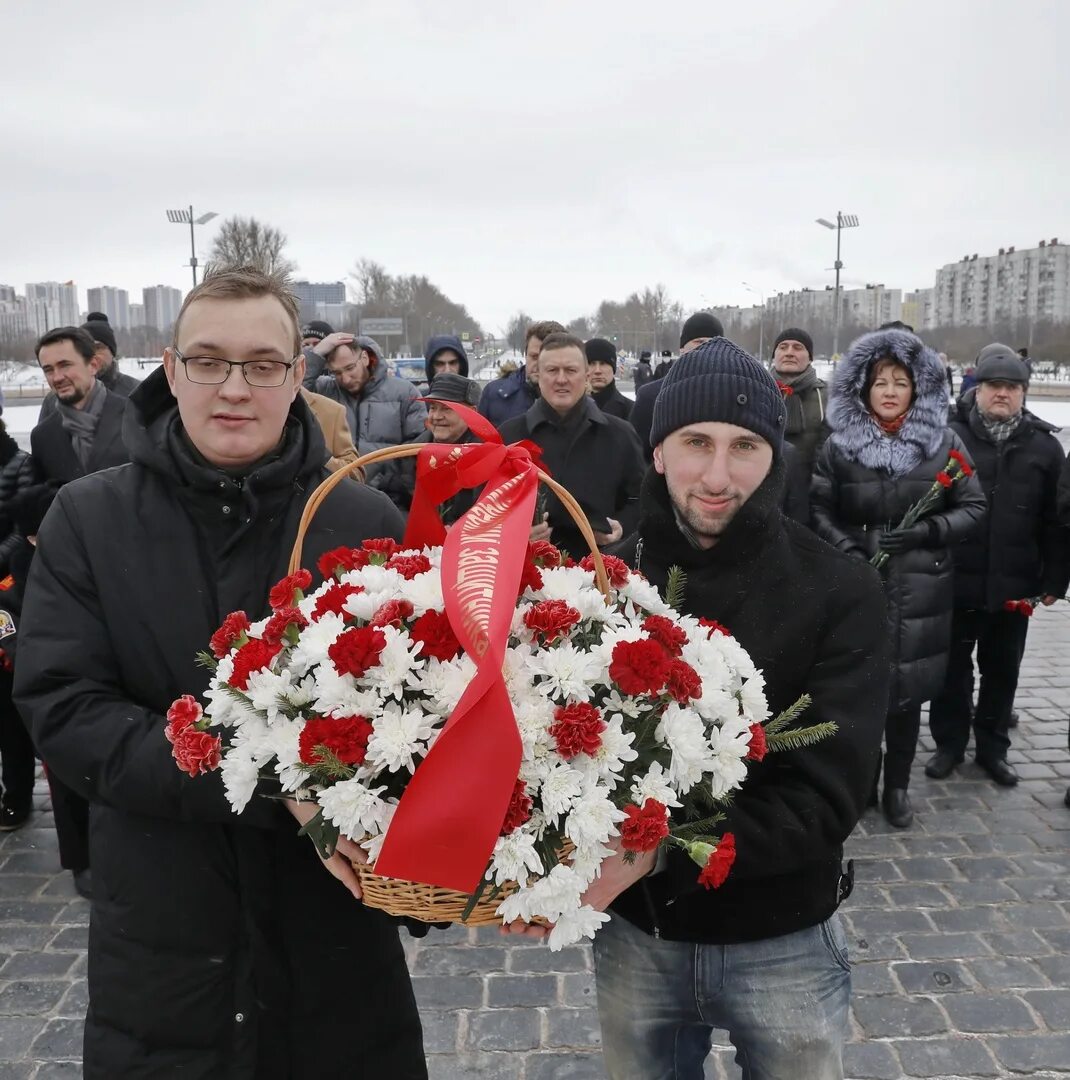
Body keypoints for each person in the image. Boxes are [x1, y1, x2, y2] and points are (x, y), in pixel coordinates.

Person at [14, 266, 425, 1078]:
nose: (235, 388)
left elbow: (421, 710)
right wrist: (273, 778)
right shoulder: (89, 518)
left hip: (333, 950)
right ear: (170, 370)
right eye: (208, 361)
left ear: (297, 375)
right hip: (164, 949)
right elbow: (64, 707)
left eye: (263, 364)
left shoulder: (366, 523)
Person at [581, 338, 890, 1080]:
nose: (718, 476)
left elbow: (827, 797)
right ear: (657, 452)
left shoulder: (841, 591)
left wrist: (657, 850)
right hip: (638, 935)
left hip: (782, 939)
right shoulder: (602, 585)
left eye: (745, 446)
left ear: (775, 456)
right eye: (695, 443)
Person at [811, 327, 986, 829]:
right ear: (863, 388)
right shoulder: (839, 443)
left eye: (900, 382)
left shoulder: (944, 441)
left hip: (921, 587)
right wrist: (847, 548)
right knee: (860, 692)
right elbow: (819, 507)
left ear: (918, 389)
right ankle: (863, 780)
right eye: (880, 381)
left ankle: (898, 786)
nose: (889, 390)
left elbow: (973, 506)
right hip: (858, 584)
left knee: (907, 695)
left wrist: (927, 531)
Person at [926, 347, 1068, 787]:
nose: (1002, 394)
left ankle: (992, 748)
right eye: (994, 386)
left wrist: (1054, 580)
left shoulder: (1043, 446)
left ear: (1023, 393)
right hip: (955, 577)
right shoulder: (949, 437)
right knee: (951, 669)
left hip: (1014, 581)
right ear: (978, 390)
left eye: (1012, 387)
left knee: (1002, 670)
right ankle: (949, 745)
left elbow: (1058, 519)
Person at [499, 332, 644, 561]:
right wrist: (515, 533)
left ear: (585, 375)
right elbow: (489, 510)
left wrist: (621, 526)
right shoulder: (509, 437)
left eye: (570, 370)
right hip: (529, 575)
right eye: (552, 370)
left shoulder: (620, 435)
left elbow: (640, 501)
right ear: (538, 374)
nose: (561, 379)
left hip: (601, 576)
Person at [310, 333, 427, 508]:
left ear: (364, 358)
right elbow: (293, 389)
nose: (345, 378)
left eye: (350, 368)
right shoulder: (326, 389)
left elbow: (418, 447)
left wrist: (384, 480)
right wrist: (316, 353)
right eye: (337, 373)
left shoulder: (405, 393)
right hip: (336, 497)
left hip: (390, 500)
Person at [0, 415, 36, 832]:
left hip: (5, 590)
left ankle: (17, 794)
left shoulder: (18, 463)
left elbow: (21, 530)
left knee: (7, 712)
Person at [630, 312, 724, 458]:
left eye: (714, 343)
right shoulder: (652, 396)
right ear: (682, 349)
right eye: (699, 342)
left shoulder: (733, 395)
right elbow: (639, 456)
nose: (707, 348)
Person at [409, 372, 485, 525]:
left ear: (472, 413)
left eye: (446, 409)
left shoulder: (488, 459)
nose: (436, 416)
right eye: (433, 408)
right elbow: (396, 502)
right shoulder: (409, 455)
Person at [39, 314, 141, 422]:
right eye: (85, 349)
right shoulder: (54, 400)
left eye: (97, 347)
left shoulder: (136, 392)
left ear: (112, 352)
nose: (92, 354)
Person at [477, 319, 565, 428]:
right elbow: (479, 441)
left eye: (548, 358)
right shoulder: (494, 394)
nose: (539, 364)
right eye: (534, 357)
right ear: (525, 355)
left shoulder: (575, 400)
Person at [770, 327, 828, 476]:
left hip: (812, 489)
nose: (789, 353)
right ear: (774, 356)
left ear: (810, 357)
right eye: (783, 347)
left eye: (798, 347)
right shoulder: (757, 391)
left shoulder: (829, 397)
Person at [584, 338, 633, 420]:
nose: (597, 371)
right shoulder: (570, 409)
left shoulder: (631, 410)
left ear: (613, 368)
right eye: (591, 364)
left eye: (603, 364)